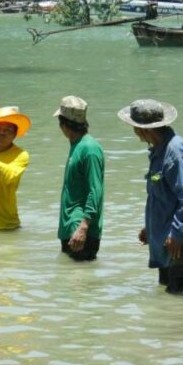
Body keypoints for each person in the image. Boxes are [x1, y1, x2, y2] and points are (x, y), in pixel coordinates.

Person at [118, 99, 183, 293]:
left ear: (142, 130)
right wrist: (150, 227)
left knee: (182, 302)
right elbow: (164, 197)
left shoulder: (176, 151)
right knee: (170, 306)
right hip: (167, 243)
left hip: (181, 244)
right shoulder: (160, 151)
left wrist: (177, 233)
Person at [55, 96, 104, 261]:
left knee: (80, 284)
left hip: (81, 231)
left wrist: (83, 228)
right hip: (71, 228)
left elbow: (95, 190)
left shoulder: (89, 149)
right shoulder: (77, 145)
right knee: (71, 282)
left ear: (64, 124)